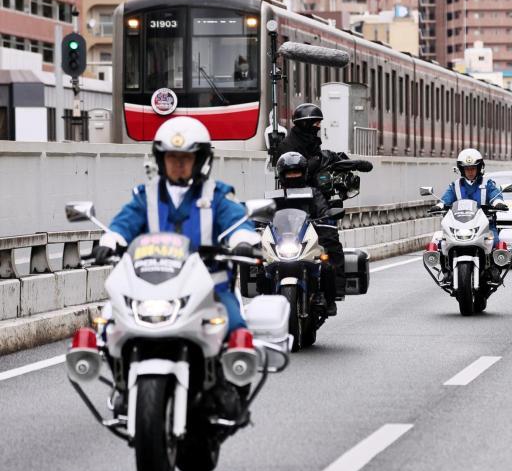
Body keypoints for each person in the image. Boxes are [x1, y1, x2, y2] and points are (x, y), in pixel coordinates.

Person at [91, 117, 260, 336]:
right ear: (161, 160)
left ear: (199, 161)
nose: (178, 164)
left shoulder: (215, 196)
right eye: (172, 157)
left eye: (186, 158)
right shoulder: (146, 197)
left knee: (236, 329)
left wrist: (243, 241)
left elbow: (236, 221)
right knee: (108, 329)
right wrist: (109, 243)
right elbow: (123, 224)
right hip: (150, 289)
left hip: (210, 289)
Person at [275, 102, 372, 316]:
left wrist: (327, 217)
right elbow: (314, 164)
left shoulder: (309, 143)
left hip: (312, 203)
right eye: (316, 123)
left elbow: (323, 161)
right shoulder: (289, 148)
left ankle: (332, 294)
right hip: (293, 206)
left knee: (330, 244)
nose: (319, 126)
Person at [272, 151, 338, 317]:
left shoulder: (314, 193)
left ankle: (327, 300)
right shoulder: (275, 197)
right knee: (260, 265)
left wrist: (326, 217)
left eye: (297, 172)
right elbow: (267, 214)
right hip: (284, 240)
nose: (293, 176)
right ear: (282, 175)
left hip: (308, 237)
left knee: (327, 264)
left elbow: (323, 209)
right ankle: (263, 295)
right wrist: (257, 220)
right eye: (289, 172)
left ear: (304, 173)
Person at [434, 149, 507, 282]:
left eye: (473, 168)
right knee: (441, 242)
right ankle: (446, 270)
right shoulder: (455, 186)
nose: (470, 171)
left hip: (486, 225)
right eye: (467, 169)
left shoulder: (487, 184)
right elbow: (446, 198)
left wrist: (498, 202)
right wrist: (439, 205)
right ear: (462, 170)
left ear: (479, 168)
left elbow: (495, 194)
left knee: (495, 241)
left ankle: (494, 269)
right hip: (460, 224)